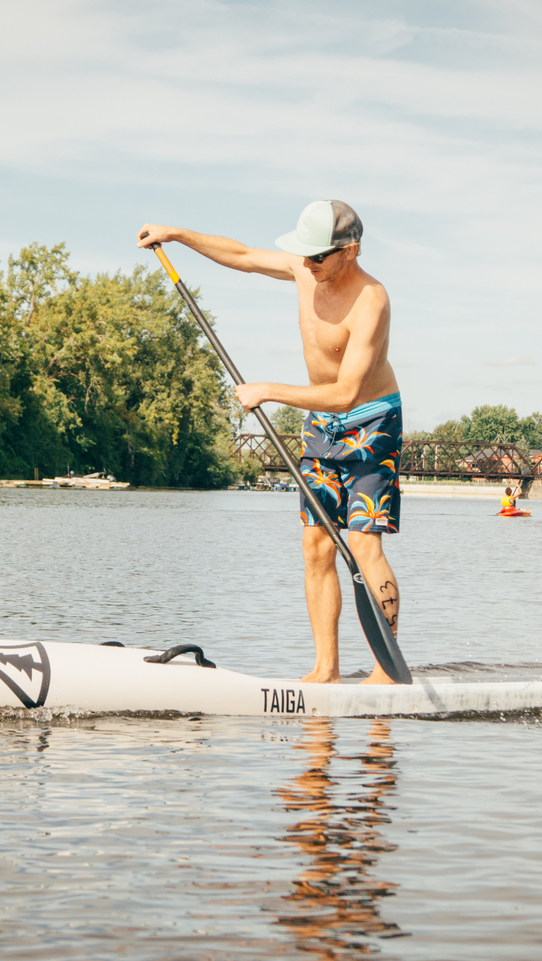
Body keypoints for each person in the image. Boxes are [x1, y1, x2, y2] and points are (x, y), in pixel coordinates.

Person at [138, 200, 401, 685]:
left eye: (316, 256)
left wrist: (267, 390)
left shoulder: (372, 301)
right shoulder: (307, 272)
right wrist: (176, 234)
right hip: (321, 424)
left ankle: (386, 675)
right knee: (316, 546)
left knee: (363, 543)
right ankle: (326, 670)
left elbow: (345, 393)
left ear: (350, 250)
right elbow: (240, 254)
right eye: (303, 255)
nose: (306, 264)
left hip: (371, 423)